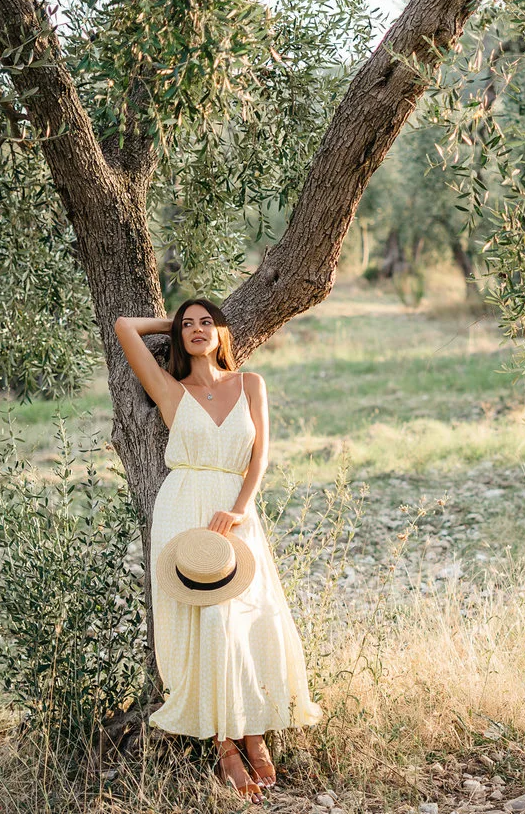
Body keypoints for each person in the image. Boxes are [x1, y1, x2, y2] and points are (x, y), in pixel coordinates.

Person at [115, 299, 322, 804]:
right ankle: (226, 743)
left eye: (207, 322)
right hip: (184, 509)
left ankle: (255, 730)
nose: (196, 330)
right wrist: (173, 321)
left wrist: (239, 509)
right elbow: (124, 327)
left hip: (234, 513)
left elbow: (260, 456)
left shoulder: (251, 384)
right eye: (188, 325)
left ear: (224, 332)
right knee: (205, 622)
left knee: (249, 618)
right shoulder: (169, 389)